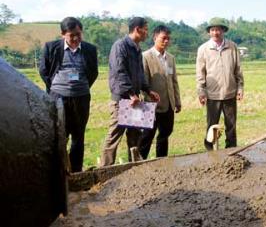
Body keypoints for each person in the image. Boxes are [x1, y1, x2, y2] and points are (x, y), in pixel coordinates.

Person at [39, 17, 98, 172]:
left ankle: (76, 172)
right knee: (59, 135)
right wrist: (55, 89)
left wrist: (81, 87)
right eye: (72, 35)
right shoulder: (51, 48)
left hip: (81, 98)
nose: (76, 38)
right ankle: (58, 171)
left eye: (78, 34)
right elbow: (44, 71)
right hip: (58, 98)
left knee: (78, 136)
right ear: (63, 34)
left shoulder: (90, 49)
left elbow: (93, 72)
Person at [100, 17, 160, 166]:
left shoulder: (137, 48)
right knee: (115, 135)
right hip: (122, 99)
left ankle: (133, 168)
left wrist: (148, 90)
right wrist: (130, 93)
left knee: (134, 135)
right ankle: (104, 169)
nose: (147, 33)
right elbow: (119, 72)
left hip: (135, 100)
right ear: (137, 29)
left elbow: (140, 73)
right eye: (145, 29)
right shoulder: (120, 46)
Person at [196, 17, 244, 150]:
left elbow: (238, 69)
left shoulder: (232, 47)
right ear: (209, 32)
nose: (215, 32)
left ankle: (231, 151)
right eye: (212, 30)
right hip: (212, 95)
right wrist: (201, 91)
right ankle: (210, 151)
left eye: (218, 29)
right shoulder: (203, 49)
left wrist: (240, 88)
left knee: (231, 125)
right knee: (211, 126)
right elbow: (200, 73)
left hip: (230, 93)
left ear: (223, 31)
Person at [137, 25, 181, 159]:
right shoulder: (145, 57)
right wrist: (148, 102)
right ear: (155, 37)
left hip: (168, 104)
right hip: (151, 105)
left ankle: (161, 161)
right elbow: (142, 82)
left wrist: (177, 101)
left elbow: (174, 81)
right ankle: (139, 163)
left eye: (168, 39)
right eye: (163, 38)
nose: (166, 41)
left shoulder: (170, 58)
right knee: (147, 136)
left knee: (165, 134)